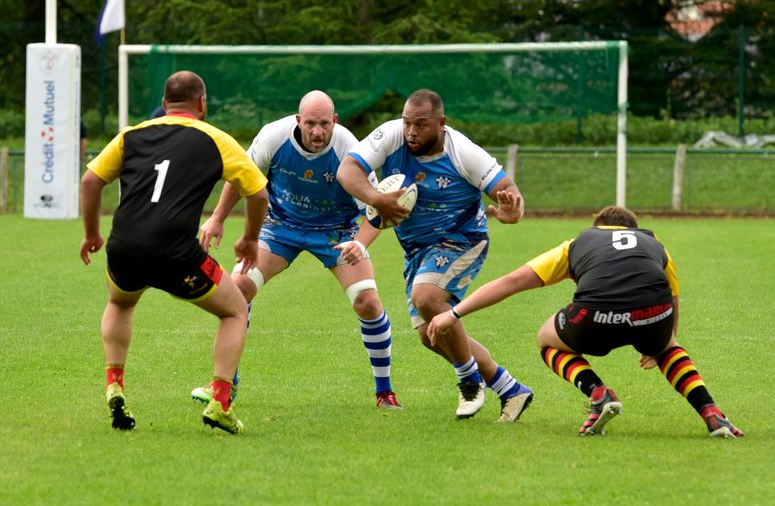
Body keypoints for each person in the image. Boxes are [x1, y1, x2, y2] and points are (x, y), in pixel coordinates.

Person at [428, 205, 744, 438]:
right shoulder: (655, 242)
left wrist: (454, 313)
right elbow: (673, 297)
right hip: (655, 315)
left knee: (545, 338)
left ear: (598, 226)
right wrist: (662, 341)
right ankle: (712, 412)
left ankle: (597, 393)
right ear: (631, 228)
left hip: (596, 317)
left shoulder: (577, 243)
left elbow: (512, 281)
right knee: (669, 347)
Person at [79, 71, 269, 434]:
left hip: (125, 247)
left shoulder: (130, 134)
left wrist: (91, 233)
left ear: (165, 104)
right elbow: (258, 194)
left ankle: (115, 383)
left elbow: (91, 180)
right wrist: (249, 239)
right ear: (202, 104)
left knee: (120, 303)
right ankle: (220, 402)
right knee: (234, 310)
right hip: (176, 252)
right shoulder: (216, 138)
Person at [191, 90, 402, 409]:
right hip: (281, 227)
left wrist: (358, 242)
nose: (317, 132)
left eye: (324, 125)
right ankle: (225, 383)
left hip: (337, 232)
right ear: (298, 120)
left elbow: (375, 208)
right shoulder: (273, 136)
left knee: (368, 302)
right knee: (238, 288)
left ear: (335, 122)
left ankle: (384, 392)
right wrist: (217, 218)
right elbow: (240, 178)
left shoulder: (350, 149)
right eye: (310, 124)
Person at [337, 88, 533, 422]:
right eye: (407, 123)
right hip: (417, 249)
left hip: (462, 238)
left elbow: (510, 195)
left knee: (427, 297)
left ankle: (469, 380)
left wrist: (511, 212)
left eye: (421, 125)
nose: (412, 132)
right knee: (431, 335)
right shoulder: (392, 135)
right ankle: (510, 388)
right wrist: (375, 197)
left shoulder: (465, 153)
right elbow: (347, 170)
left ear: (441, 124)